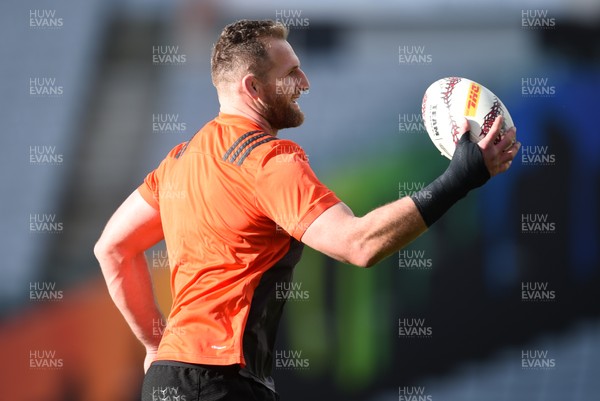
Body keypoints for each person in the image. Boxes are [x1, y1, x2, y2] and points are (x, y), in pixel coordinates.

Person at [94, 19, 520, 401]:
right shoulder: (267, 161)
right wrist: (459, 179)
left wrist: (155, 344)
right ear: (252, 88)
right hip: (221, 382)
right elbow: (359, 245)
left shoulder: (178, 161)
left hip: (168, 382)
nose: (306, 81)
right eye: (291, 72)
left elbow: (112, 249)